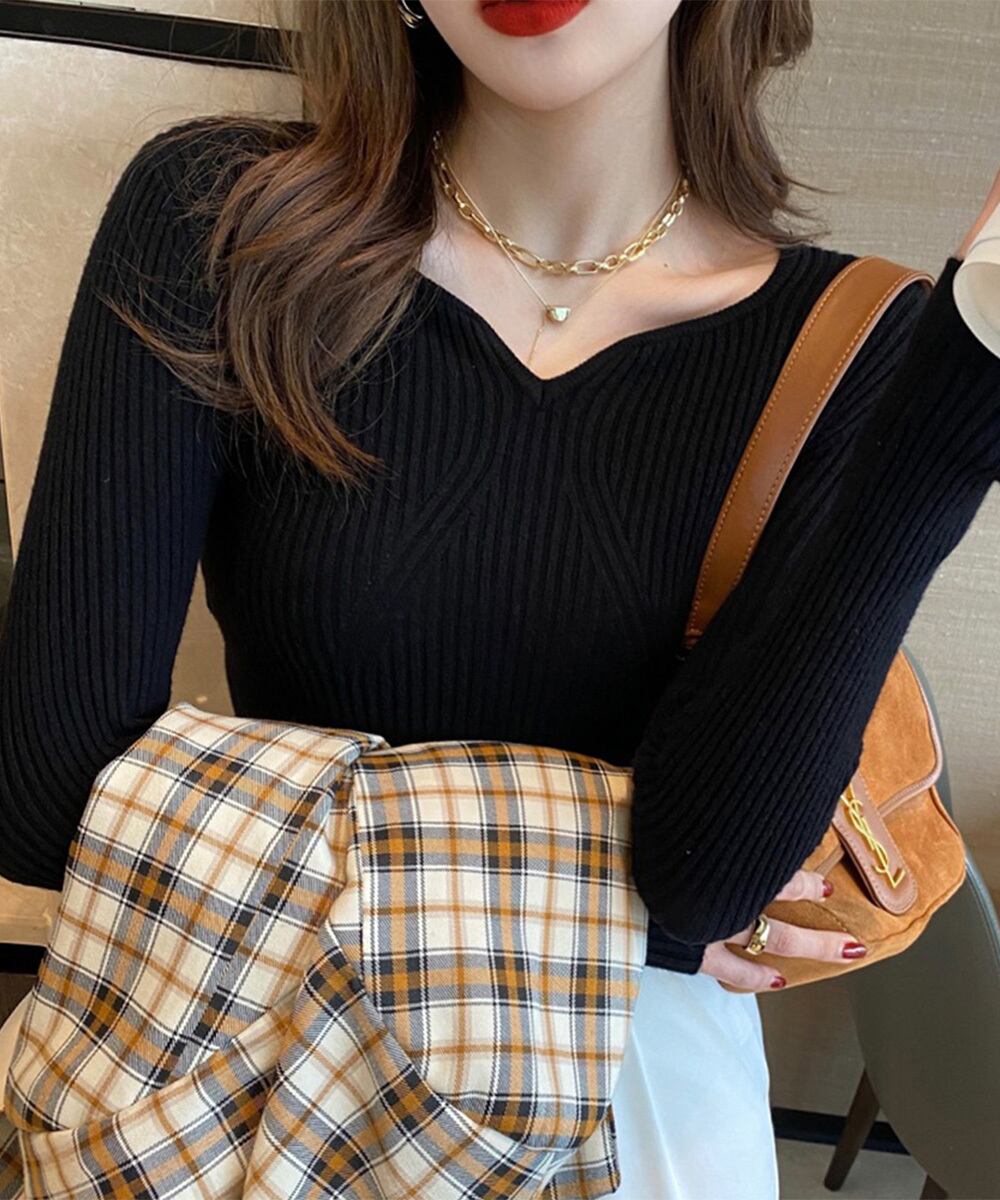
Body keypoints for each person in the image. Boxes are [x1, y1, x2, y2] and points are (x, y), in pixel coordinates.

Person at [0, 0, 998, 1195]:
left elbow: (708, 873)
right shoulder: (217, 221)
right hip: (230, 1052)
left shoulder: (856, 341)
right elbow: (49, 798)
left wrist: (958, 414)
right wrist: (615, 892)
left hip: (629, 1100)